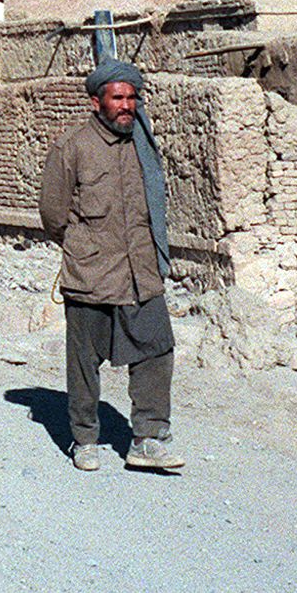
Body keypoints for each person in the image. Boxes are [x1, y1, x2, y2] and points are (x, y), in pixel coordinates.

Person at [38, 61, 185, 474]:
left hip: (142, 272)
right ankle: (84, 437)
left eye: (132, 97)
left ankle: (148, 438)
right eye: (118, 98)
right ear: (96, 101)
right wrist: (85, 247)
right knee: (84, 362)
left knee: (157, 349)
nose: (126, 106)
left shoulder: (143, 144)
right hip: (91, 275)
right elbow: (53, 214)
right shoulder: (73, 147)